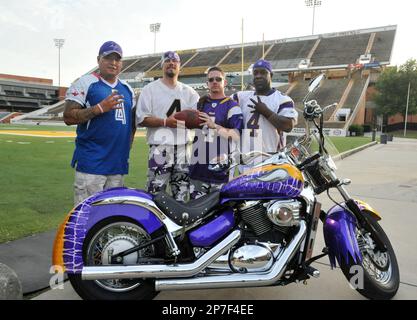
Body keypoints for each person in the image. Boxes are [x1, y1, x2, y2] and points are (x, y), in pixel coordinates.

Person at [63, 41, 136, 205]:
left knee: (110, 217)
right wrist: (99, 108)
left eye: (117, 59)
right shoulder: (86, 82)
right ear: (98, 60)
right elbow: (68, 116)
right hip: (92, 164)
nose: (113, 63)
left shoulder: (128, 89)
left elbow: (131, 125)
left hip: (117, 165)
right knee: (87, 216)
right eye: (108, 58)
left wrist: (124, 150)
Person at [136, 51, 200, 202]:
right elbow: (142, 119)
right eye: (167, 60)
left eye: (175, 61)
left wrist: (191, 122)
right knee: (155, 195)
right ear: (162, 65)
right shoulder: (150, 89)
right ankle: (156, 226)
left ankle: (181, 227)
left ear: (179, 66)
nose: (171, 63)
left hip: (184, 149)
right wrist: (165, 122)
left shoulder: (189, 92)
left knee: (182, 196)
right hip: (160, 148)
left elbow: (198, 119)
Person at [232, 59, 298, 170]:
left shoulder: (282, 99)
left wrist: (265, 112)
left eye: (263, 72)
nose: (258, 76)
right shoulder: (242, 97)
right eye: (255, 73)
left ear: (270, 75)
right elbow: (222, 102)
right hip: (246, 161)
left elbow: (288, 126)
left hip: (271, 160)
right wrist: (208, 97)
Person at [189, 67, 243, 199]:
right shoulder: (200, 104)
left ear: (225, 82)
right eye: (211, 79)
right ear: (207, 83)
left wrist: (214, 126)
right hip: (198, 169)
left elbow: (235, 136)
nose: (214, 82)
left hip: (220, 171)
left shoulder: (232, 106)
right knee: (195, 214)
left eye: (218, 79)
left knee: (219, 215)